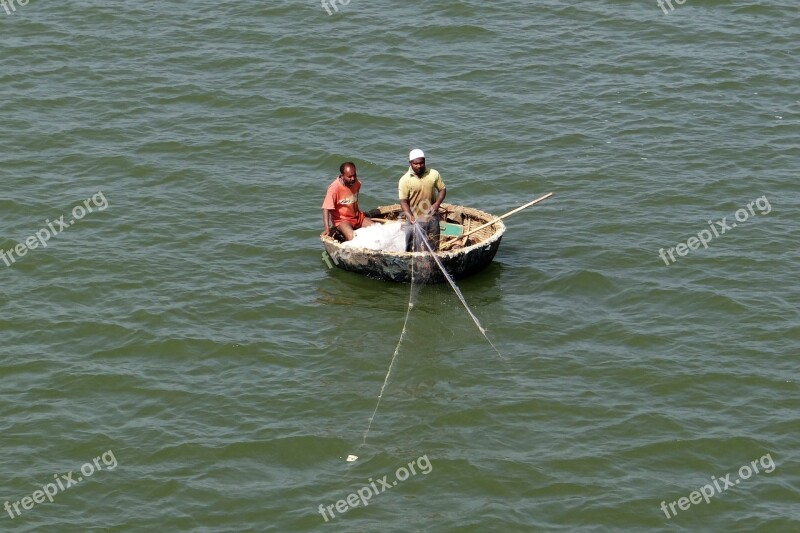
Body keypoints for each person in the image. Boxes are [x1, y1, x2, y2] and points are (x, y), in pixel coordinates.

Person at [398, 149, 446, 251]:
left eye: (421, 163)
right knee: (411, 247)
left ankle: (431, 262)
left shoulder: (433, 174)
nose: (419, 166)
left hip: (431, 217)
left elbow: (442, 189)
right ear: (410, 163)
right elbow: (403, 201)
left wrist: (437, 204)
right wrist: (410, 216)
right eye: (416, 163)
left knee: (433, 245)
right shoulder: (405, 180)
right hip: (414, 219)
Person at [321, 162, 374, 241]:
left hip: (358, 217)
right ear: (342, 176)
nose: (353, 178)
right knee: (353, 238)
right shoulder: (334, 189)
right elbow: (326, 208)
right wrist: (327, 228)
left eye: (354, 175)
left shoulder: (357, 183)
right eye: (349, 176)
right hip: (342, 220)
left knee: (377, 230)